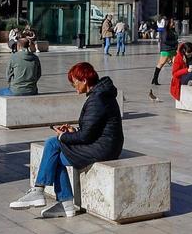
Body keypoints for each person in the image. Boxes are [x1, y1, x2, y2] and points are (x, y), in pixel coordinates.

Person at [10, 63, 124, 218]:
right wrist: (73, 131)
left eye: (74, 82)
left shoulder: (97, 99)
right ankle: (64, 204)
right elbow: (92, 129)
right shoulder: (101, 94)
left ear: (84, 80)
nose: (73, 86)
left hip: (103, 148)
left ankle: (40, 192)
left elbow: (86, 137)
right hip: (106, 144)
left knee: (53, 143)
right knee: (55, 156)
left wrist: (62, 136)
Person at [150, 18, 180, 86]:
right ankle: (155, 79)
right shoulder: (165, 31)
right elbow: (165, 40)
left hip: (173, 50)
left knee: (176, 64)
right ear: (168, 23)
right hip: (166, 50)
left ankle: (176, 79)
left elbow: (176, 38)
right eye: (172, 22)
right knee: (161, 64)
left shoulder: (173, 30)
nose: (174, 23)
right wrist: (175, 42)